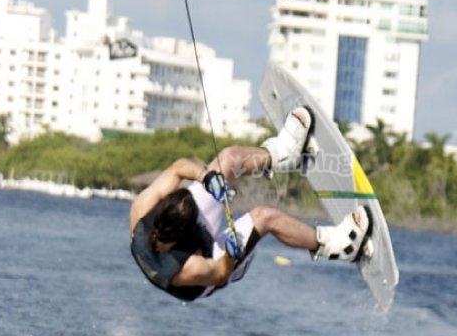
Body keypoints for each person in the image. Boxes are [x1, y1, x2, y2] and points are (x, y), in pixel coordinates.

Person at [129, 106, 371, 301]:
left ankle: (284, 153)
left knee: (228, 160)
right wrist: (230, 255)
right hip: (214, 266)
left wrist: (207, 177)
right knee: (265, 217)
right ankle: (338, 245)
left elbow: (178, 168)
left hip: (185, 237)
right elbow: (220, 274)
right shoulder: (186, 268)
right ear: (189, 231)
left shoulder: (143, 208)